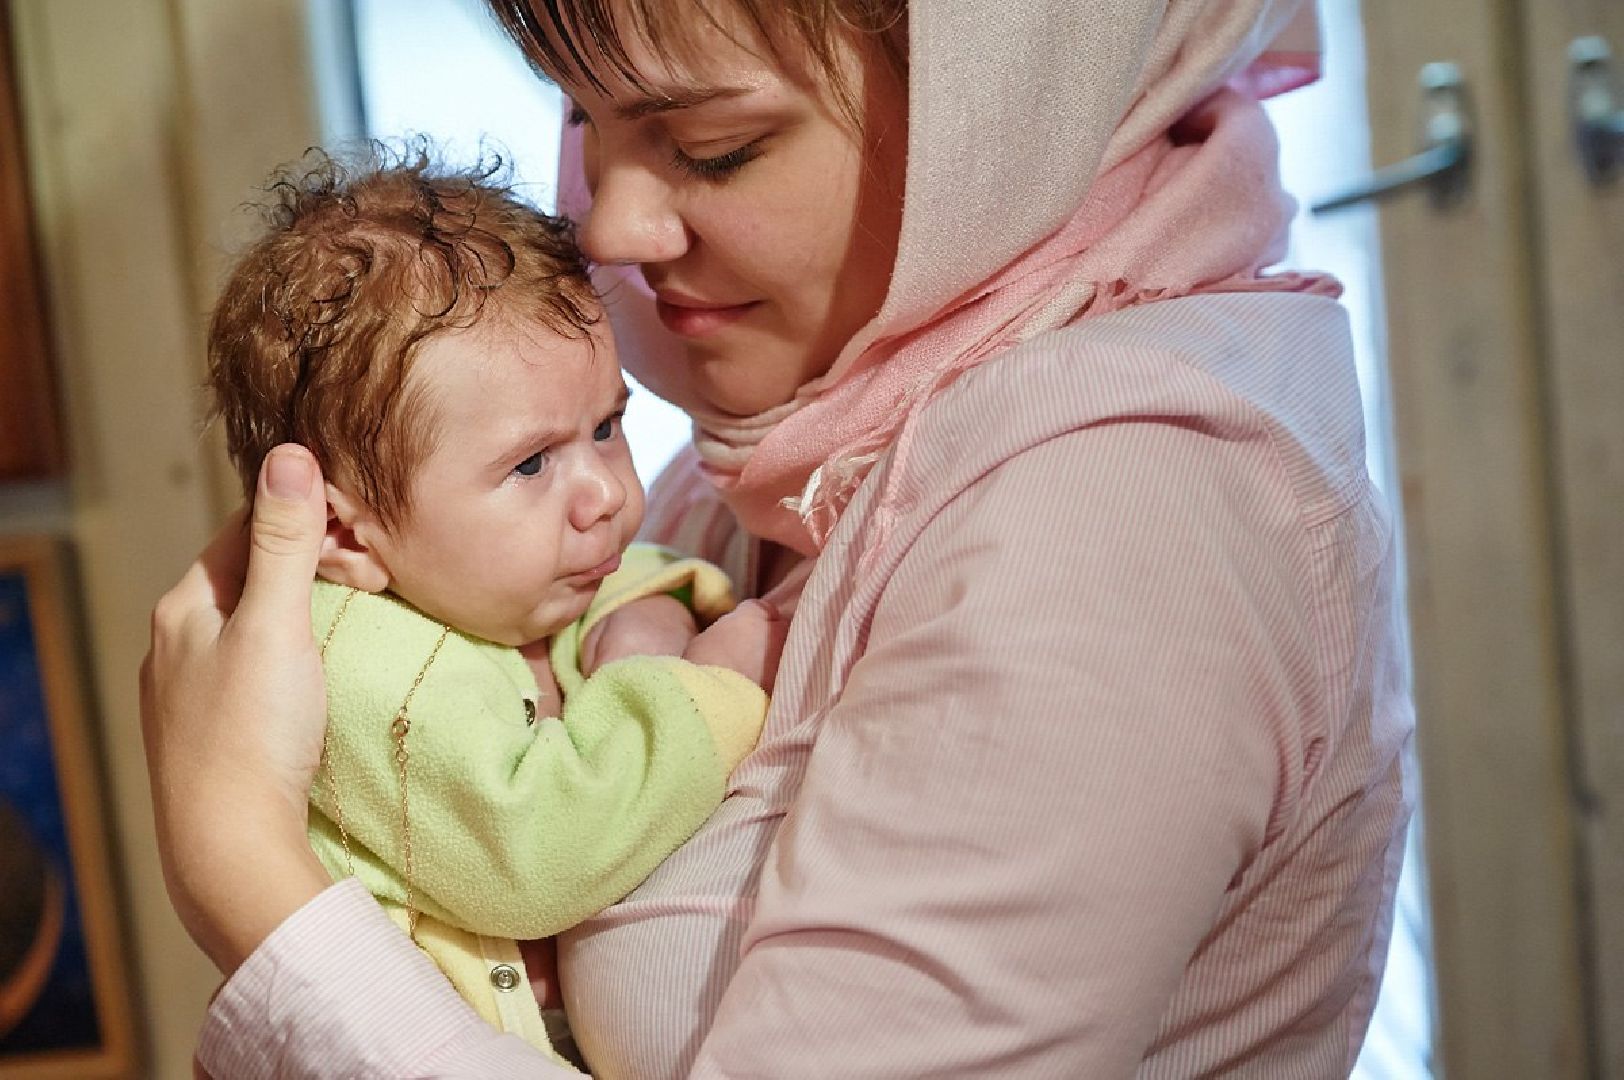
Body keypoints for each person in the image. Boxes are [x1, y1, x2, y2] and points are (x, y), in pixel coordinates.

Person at [141, 0, 1416, 1075]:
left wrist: (243, 862)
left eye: (715, 146)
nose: (608, 227)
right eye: (585, 115)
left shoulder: (1123, 514)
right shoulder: (773, 452)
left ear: (1004, 104)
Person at [202, 148, 781, 1065]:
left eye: (607, 427)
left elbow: (617, 583)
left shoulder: (493, 586)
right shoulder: (352, 659)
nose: (603, 495)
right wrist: (698, 689)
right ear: (348, 538)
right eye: (531, 464)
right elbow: (538, 848)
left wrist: (648, 610)